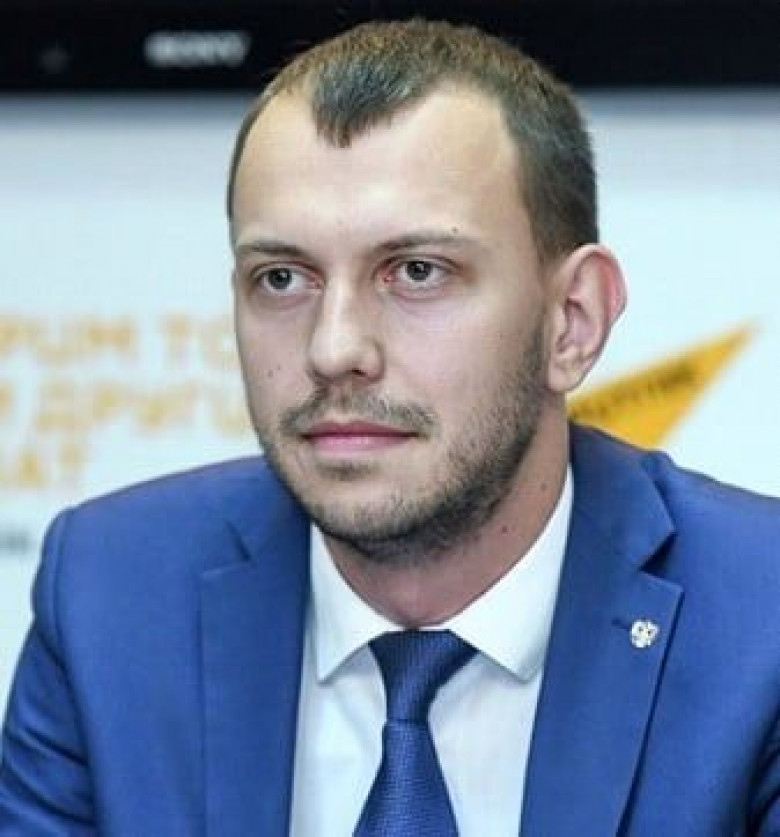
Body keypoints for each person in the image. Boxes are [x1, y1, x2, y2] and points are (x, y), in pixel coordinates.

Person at [1, 17, 779, 837]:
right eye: (282, 278)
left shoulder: (760, 621)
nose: (334, 349)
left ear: (572, 321)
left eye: (416, 272)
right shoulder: (110, 598)